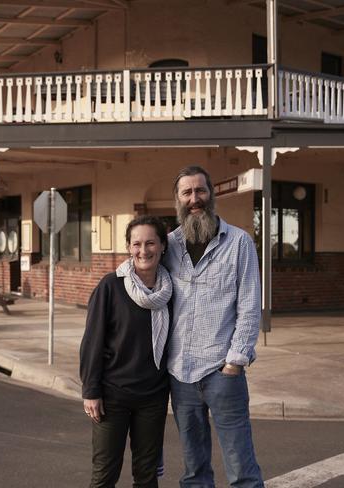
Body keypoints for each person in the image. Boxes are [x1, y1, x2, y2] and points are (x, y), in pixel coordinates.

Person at [164, 166, 264, 488]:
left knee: (242, 471)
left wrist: (234, 362)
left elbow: (249, 306)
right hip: (180, 376)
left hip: (222, 373)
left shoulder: (239, 243)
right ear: (178, 199)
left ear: (212, 194)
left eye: (200, 191)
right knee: (194, 473)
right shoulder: (168, 247)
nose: (195, 199)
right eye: (187, 193)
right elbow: (140, 270)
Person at [80, 215, 173, 488]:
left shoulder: (171, 290)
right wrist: (91, 391)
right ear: (129, 248)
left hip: (153, 396)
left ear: (163, 246)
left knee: (146, 476)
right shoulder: (111, 286)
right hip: (113, 397)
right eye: (136, 244)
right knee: (105, 475)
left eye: (150, 243)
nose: (143, 251)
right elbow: (92, 341)